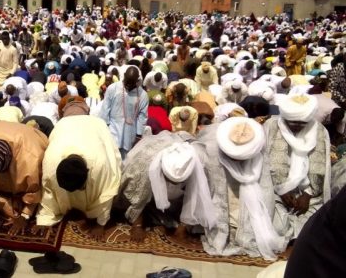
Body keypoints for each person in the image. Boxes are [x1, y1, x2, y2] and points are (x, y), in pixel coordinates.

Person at [200, 117, 286, 260]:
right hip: (223, 187)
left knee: (276, 226)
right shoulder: (212, 148)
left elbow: (265, 189)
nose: (237, 161)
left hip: (247, 187)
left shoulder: (258, 149)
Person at [117, 132, 216, 243]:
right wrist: (138, 226)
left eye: (177, 181)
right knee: (141, 191)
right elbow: (138, 195)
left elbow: (195, 196)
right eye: (169, 180)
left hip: (178, 200)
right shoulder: (144, 164)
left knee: (192, 226)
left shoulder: (199, 165)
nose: (172, 184)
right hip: (145, 182)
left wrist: (183, 227)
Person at [35, 115, 121, 241]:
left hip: (95, 126)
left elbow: (107, 193)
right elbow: (48, 190)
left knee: (108, 180)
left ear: (88, 172)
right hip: (64, 126)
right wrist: (44, 219)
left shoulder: (100, 165)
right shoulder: (50, 164)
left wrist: (100, 224)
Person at [264, 94, 331, 243]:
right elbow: (265, 164)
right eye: (292, 122)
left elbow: (319, 166)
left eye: (302, 123)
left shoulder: (319, 130)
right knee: (277, 229)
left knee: (314, 229)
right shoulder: (271, 126)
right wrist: (282, 190)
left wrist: (307, 195)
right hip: (275, 191)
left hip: (310, 194)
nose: (296, 126)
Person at [99, 66, 149, 158]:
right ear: (124, 76)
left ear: (137, 81)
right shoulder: (113, 88)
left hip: (130, 135)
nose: (128, 85)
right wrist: (103, 129)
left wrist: (138, 135)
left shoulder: (143, 95)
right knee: (111, 158)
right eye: (127, 82)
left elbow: (142, 116)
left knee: (125, 161)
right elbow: (105, 110)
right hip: (112, 131)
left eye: (131, 83)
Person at [0, 31, 19, 100]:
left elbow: (15, 63)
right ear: (1, 39)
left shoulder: (13, 49)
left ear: (9, 39)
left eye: (6, 39)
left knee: (7, 89)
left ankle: (6, 104)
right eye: (3, 39)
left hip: (8, 72)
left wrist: (11, 73)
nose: (5, 40)